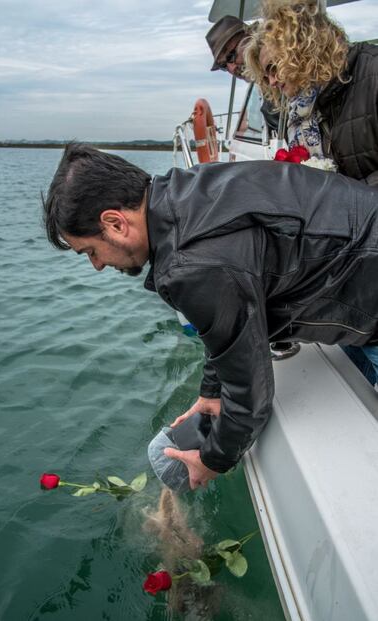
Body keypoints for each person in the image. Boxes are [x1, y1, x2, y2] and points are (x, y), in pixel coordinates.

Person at [42, 143, 378, 489]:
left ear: (115, 223)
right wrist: (211, 392)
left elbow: (252, 393)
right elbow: (230, 325)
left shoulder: (189, 266)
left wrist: (212, 460)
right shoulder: (187, 191)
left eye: (91, 252)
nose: (97, 265)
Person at [244, 0, 378, 184]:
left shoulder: (372, 73)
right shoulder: (299, 110)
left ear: (301, 46)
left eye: (273, 67)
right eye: (266, 78)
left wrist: (345, 197)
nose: (273, 82)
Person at [206, 15, 279, 131]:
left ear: (250, 36)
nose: (232, 68)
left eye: (231, 55)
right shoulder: (261, 88)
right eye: (224, 65)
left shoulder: (284, 69)